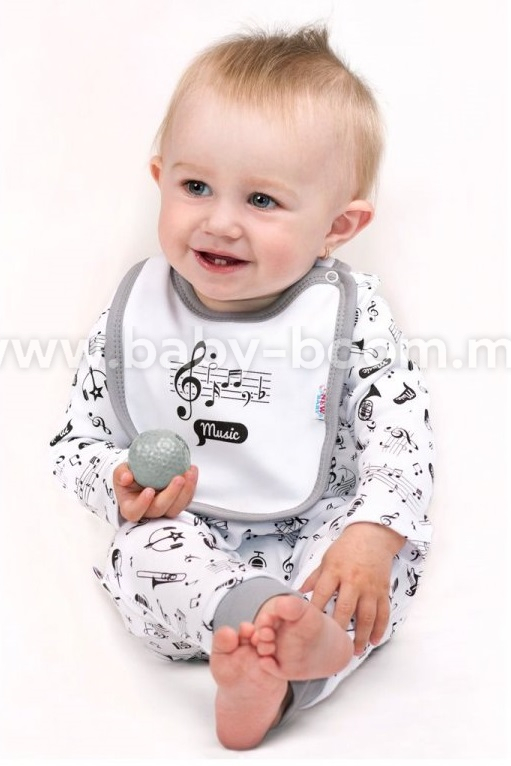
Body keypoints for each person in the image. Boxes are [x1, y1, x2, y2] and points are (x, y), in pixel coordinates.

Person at [50, 25, 434, 750]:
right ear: (160, 178)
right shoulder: (138, 310)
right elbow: (75, 443)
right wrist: (119, 482)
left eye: (262, 199)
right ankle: (258, 626)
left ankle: (286, 672)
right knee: (142, 553)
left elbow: (400, 441)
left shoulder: (351, 317)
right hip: (189, 543)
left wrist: (370, 534)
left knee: (379, 574)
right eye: (195, 186)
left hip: (319, 532)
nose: (220, 222)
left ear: (338, 225)